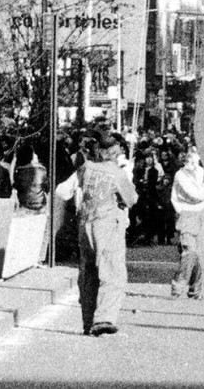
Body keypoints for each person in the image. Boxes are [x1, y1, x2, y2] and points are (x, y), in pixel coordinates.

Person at [67, 131, 138, 336]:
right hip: (108, 225)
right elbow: (131, 199)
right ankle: (104, 318)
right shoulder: (117, 172)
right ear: (115, 151)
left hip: (85, 224)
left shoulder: (86, 168)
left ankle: (88, 320)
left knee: (88, 274)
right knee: (112, 271)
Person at [170, 146, 204, 299]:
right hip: (186, 214)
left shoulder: (200, 171)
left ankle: (196, 289)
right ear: (185, 162)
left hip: (201, 214)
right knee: (189, 251)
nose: (194, 165)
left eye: (196, 161)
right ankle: (178, 284)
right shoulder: (180, 176)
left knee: (200, 255)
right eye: (190, 162)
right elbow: (197, 195)